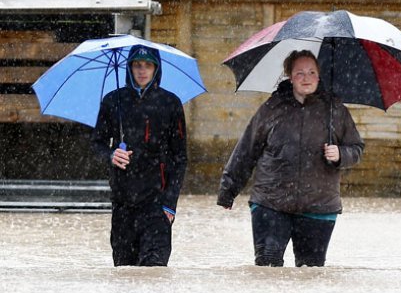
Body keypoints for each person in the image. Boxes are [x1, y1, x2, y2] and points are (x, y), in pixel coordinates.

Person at [217, 50, 364, 267]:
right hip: (270, 202)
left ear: (319, 76)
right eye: (300, 73)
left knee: (309, 274)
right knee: (267, 270)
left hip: (319, 206)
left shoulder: (335, 110)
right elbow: (247, 150)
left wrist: (341, 154)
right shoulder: (272, 108)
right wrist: (228, 190)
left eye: (312, 72)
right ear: (290, 76)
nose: (306, 78)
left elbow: (356, 148)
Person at [91, 45, 188, 266]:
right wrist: (111, 154)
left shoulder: (171, 103)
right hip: (123, 204)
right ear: (129, 67)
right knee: (125, 273)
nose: (142, 70)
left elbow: (180, 157)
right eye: (137, 65)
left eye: (147, 65)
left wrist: (170, 205)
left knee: (153, 273)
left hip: (157, 205)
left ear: (156, 68)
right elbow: (97, 143)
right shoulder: (112, 100)